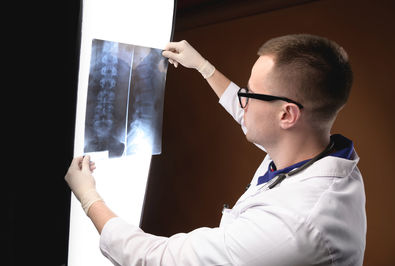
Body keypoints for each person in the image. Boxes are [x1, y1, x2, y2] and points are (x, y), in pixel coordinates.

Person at [65, 34, 366, 265]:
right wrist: (204, 67)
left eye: (250, 92)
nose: (242, 98)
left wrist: (89, 198)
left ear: (287, 115)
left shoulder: (293, 227)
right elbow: (251, 114)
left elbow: (158, 259)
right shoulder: (313, 150)